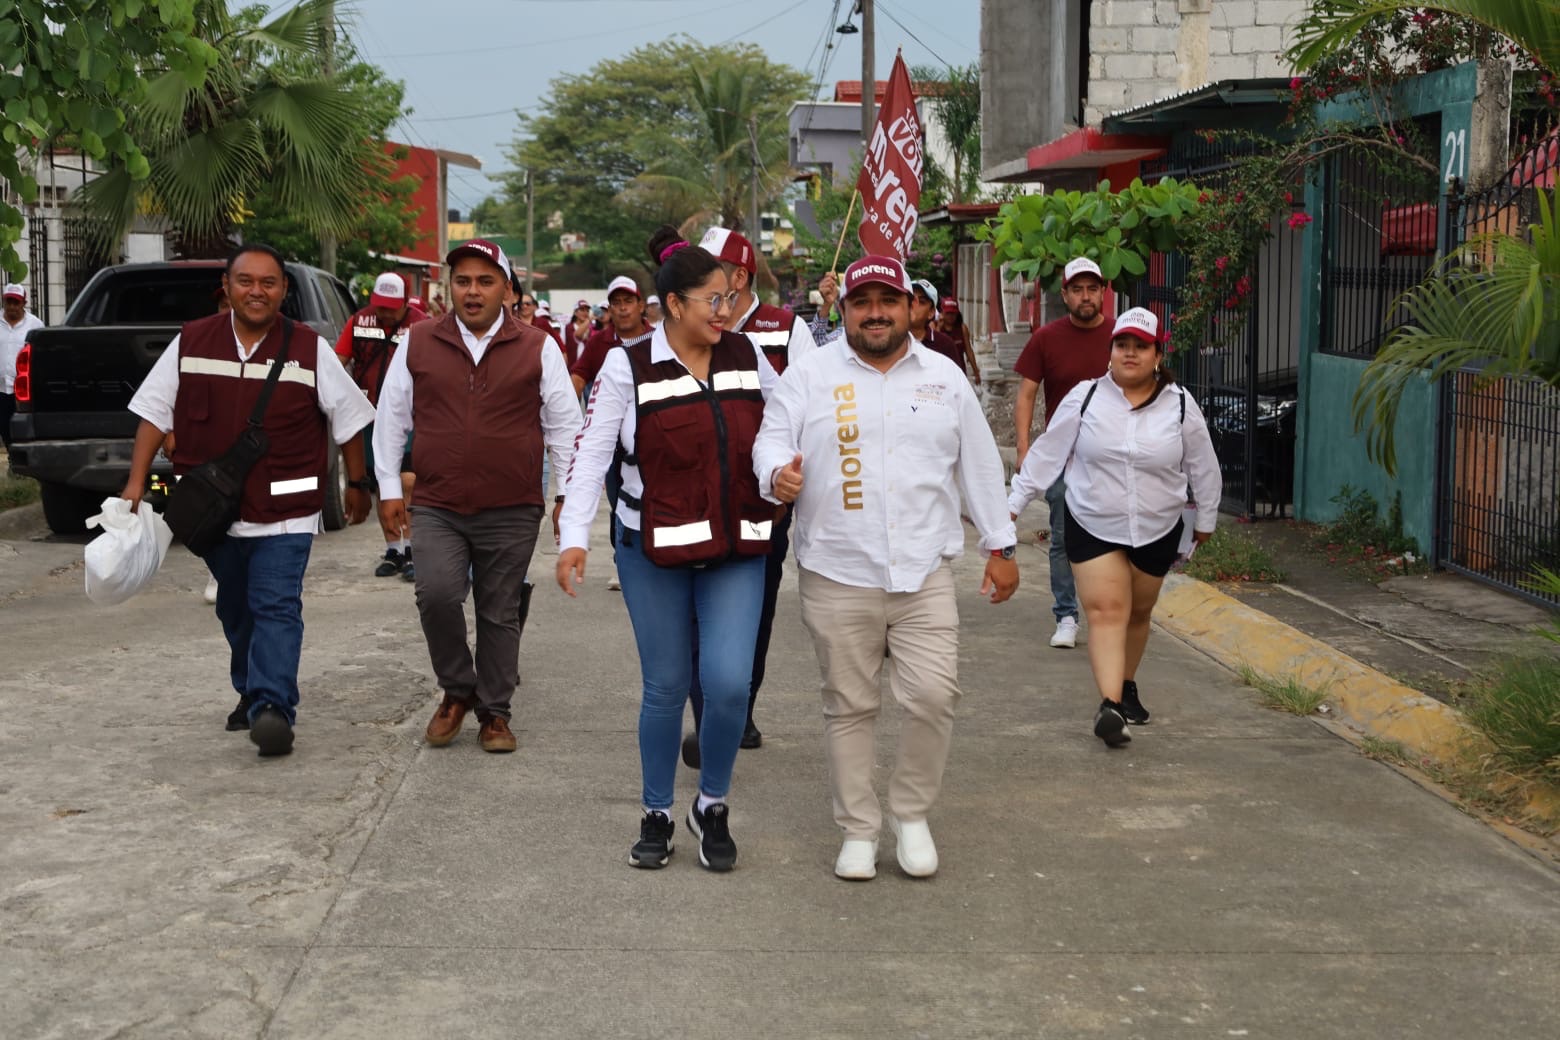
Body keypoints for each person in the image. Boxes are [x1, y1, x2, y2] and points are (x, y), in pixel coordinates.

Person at [752, 254, 1019, 881]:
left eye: (887, 301)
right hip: (837, 571)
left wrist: (1000, 545)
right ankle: (858, 829)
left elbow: (978, 465)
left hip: (924, 574)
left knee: (932, 697)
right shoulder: (810, 375)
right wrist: (776, 473)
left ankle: (912, 814)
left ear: (909, 307)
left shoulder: (945, 377)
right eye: (862, 302)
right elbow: (771, 436)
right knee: (848, 704)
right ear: (842, 309)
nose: (875, 313)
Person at [556, 225, 780, 873]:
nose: (726, 310)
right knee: (667, 685)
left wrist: (778, 473)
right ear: (675, 305)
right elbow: (592, 450)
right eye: (713, 299)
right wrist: (575, 537)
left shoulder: (746, 354)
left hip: (734, 544)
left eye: (730, 298)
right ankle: (657, 810)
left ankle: (711, 803)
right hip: (649, 547)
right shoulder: (625, 366)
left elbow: (784, 421)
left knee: (730, 685)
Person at [120, 244, 376, 756]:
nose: (257, 291)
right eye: (246, 281)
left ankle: (272, 708)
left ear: (283, 290)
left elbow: (349, 419)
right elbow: (153, 412)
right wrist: (134, 482)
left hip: (287, 510)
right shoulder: (191, 341)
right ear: (228, 288)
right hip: (214, 513)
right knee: (236, 610)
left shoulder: (308, 348)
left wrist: (357, 483)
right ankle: (251, 689)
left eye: (269, 283)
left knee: (276, 605)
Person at [374, 239, 581, 756]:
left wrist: (565, 498)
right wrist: (384, 487)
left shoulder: (539, 346)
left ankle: (495, 712)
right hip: (438, 503)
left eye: (485, 281)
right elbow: (391, 417)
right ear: (450, 288)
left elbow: (564, 427)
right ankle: (457, 689)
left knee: (499, 609)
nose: (472, 291)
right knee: (437, 595)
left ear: (507, 290)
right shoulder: (417, 341)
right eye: (463, 281)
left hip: (511, 505)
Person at [1009, 307, 1221, 748]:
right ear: (1110, 352)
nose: (1129, 353)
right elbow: (1048, 454)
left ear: (1157, 354)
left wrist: (1206, 520)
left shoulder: (1181, 404)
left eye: (1140, 346)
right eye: (1122, 345)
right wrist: (1009, 509)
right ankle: (1110, 707)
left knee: (1138, 613)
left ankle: (1125, 684)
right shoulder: (1085, 398)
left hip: (1158, 525)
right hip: (1092, 520)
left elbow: (1203, 467)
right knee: (1107, 611)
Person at [678, 227, 819, 765]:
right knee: (690, 605)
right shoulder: (684, 327)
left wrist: (786, 483)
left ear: (738, 276)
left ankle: (741, 704)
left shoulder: (786, 330)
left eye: (711, 269)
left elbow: (808, 408)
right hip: (692, 498)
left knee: (752, 607)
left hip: (763, 500)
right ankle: (708, 710)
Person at [1012, 257, 1114, 650]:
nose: (1086, 296)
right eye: (1077, 289)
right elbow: (1026, 393)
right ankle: (1066, 616)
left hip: (1113, 455)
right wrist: (1024, 447)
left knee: (1114, 538)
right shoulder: (1046, 338)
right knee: (1063, 538)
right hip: (1063, 457)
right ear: (1066, 294)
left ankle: (1108, 612)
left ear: (1103, 292)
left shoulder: (1121, 335)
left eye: (1093, 288)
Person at [334, 272, 430, 580]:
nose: (384, 312)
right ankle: (393, 550)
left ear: (405, 302)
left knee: (410, 481)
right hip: (370, 414)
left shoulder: (422, 325)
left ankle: (414, 548)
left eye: (391, 306)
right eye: (379, 305)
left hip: (412, 414)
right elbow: (339, 360)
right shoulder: (359, 321)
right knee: (380, 481)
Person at [1, 283, 45, 450]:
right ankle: (12, 456)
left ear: (23, 303)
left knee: (23, 425)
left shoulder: (35, 325)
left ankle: (22, 457)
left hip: (24, 388)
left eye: (16, 302)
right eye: (8, 302)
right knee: (3, 424)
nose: (12, 306)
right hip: (2, 387)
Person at [909, 279, 971, 378]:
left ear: (931, 312)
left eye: (921, 301)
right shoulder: (891, 342)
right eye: (910, 299)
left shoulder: (945, 344)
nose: (913, 305)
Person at [937, 298, 981, 382]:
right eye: (948, 313)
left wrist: (976, 372)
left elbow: (968, 351)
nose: (950, 316)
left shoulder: (962, 328)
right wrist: (939, 327)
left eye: (953, 313)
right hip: (941, 371)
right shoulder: (935, 327)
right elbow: (934, 347)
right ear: (942, 313)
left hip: (959, 371)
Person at [563, 298, 592, 368]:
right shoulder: (567, 328)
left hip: (587, 367)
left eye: (587, 311)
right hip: (571, 367)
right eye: (582, 310)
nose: (585, 313)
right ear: (575, 313)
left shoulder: (592, 328)